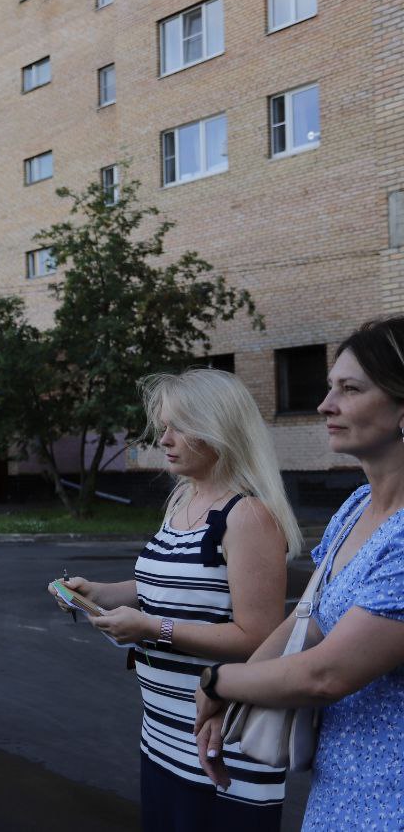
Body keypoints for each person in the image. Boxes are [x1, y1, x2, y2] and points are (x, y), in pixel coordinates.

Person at [49, 368, 300, 830]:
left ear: (218, 429)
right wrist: (99, 594)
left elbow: (260, 638)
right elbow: (164, 589)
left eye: (178, 427)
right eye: (163, 425)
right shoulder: (182, 498)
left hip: (224, 744)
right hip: (163, 733)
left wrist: (151, 629)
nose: (163, 439)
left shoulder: (248, 515)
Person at [195, 318, 404, 830]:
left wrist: (220, 681)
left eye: (350, 389)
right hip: (341, 790)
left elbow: (324, 675)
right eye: (330, 386)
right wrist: (234, 695)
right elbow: (308, 619)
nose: (324, 405)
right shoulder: (357, 507)